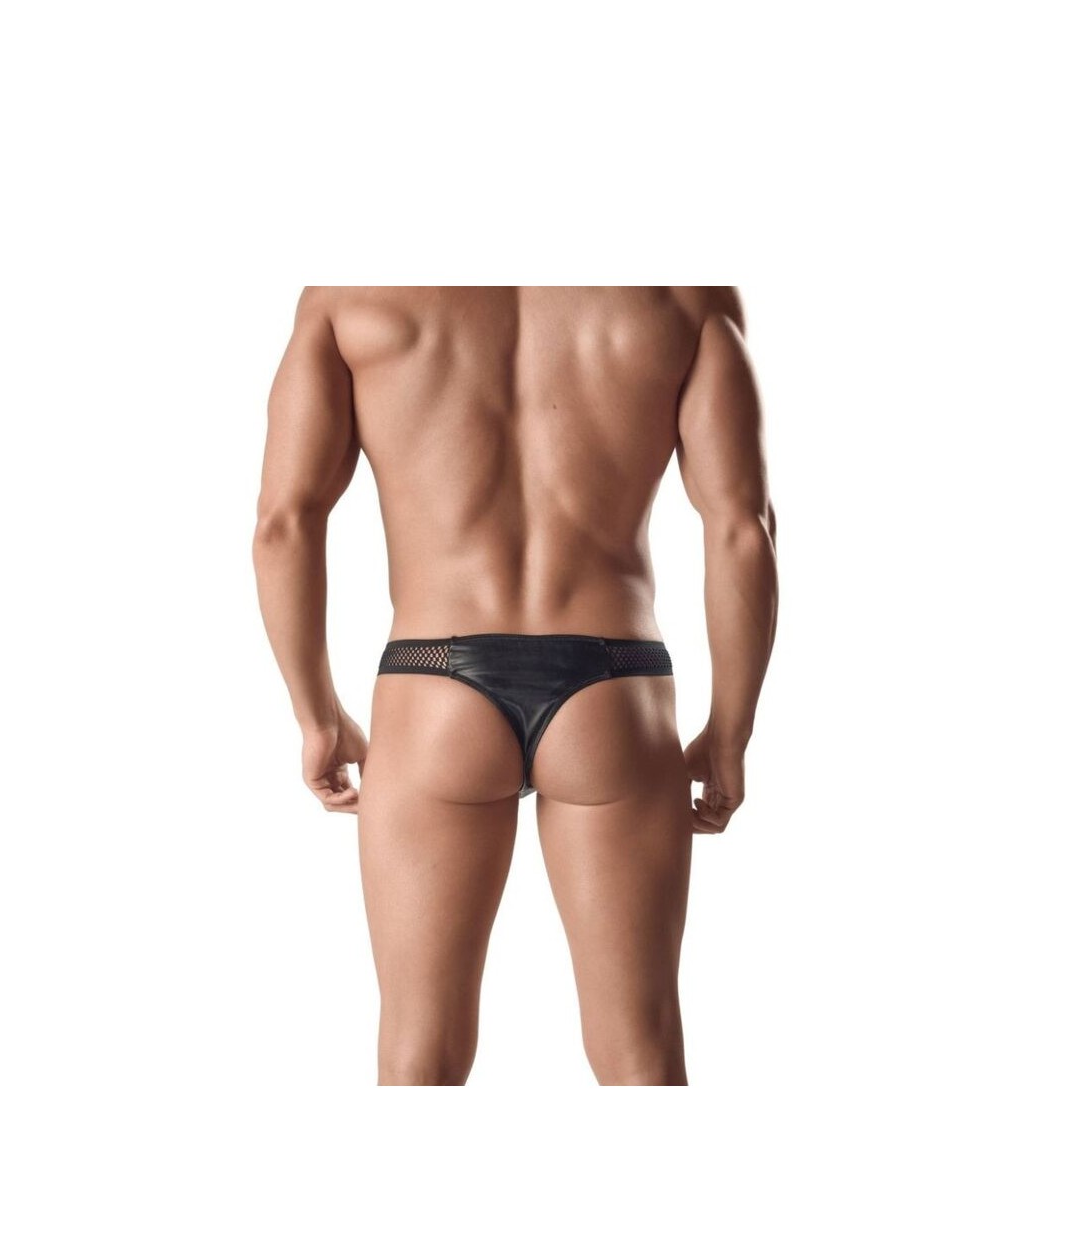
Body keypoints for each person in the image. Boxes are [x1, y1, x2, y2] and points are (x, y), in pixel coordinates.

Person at [252, 287, 779, 1086]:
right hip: (615, 692)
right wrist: (731, 731)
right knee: (639, 1050)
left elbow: (283, 522)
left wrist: (316, 715)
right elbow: (743, 527)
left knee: (419, 1053)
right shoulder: (683, 289)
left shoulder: (353, 290)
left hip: (433, 690)